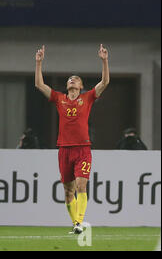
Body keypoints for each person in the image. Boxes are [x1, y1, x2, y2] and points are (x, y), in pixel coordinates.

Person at [34, 44, 110, 234]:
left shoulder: (88, 97)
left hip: (83, 149)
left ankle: (80, 222)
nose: (72, 81)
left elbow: (105, 82)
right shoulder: (59, 98)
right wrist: (39, 63)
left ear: (81, 86)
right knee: (68, 192)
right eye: (70, 79)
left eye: (76, 79)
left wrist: (104, 60)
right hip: (64, 150)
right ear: (67, 86)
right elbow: (39, 85)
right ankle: (75, 223)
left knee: (81, 184)